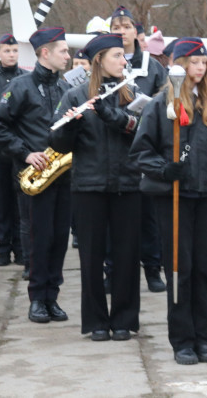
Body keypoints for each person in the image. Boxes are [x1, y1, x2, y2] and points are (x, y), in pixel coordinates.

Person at [130, 37, 207, 365]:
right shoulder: (160, 104)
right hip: (175, 196)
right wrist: (165, 169)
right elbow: (140, 152)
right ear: (178, 65)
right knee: (181, 268)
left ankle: (202, 337)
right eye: (193, 62)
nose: (200, 68)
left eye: (203, 62)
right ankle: (182, 340)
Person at [50, 33, 142, 341]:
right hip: (89, 186)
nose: (123, 61)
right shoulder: (75, 95)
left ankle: (124, 320)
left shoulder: (132, 92)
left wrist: (108, 113)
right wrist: (70, 125)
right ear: (100, 60)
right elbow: (58, 144)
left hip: (128, 184)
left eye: (124, 55)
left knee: (127, 256)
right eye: (117, 55)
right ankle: (96, 322)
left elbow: (140, 131)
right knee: (90, 257)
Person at [0, 27, 72, 324]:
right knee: (40, 239)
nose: (68, 55)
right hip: (35, 175)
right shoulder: (21, 86)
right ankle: (37, 298)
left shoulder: (65, 88)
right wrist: (25, 154)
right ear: (45, 53)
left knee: (60, 238)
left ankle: (53, 297)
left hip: (63, 175)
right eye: (63, 50)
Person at [109, 5, 168, 293]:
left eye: (126, 27)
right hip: (113, 150)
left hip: (144, 150)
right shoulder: (105, 61)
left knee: (149, 218)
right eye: (115, 28)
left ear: (136, 31)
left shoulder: (152, 66)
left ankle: (153, 270)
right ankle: (113, 272)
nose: (121, 32)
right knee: (115, 222)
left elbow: (165, 99)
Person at [0, 33, 26, 269]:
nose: (11, 55)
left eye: (15, 51)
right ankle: (3, 248)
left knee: (19, 201)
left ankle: (20, 248)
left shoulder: (25, 78)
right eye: (7, 51)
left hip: (18, 148)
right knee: (1, 201)